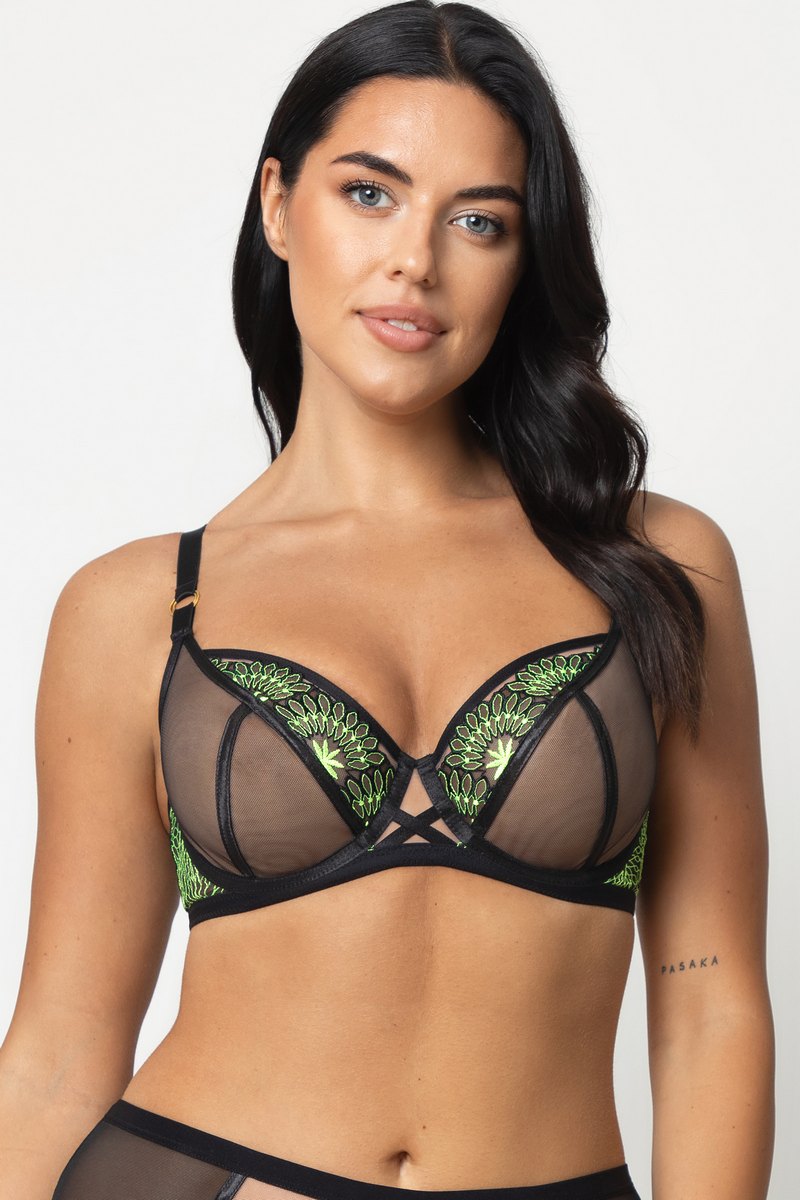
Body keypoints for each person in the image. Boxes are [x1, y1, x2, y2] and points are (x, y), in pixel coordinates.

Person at [0, 2, 775, 1197]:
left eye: (477, 220)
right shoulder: (140, 607)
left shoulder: (657, 565)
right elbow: (58, 1055)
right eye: (369, 193)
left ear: (523, 257)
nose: (415, 259)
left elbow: (710, 1002)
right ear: (277, 205)